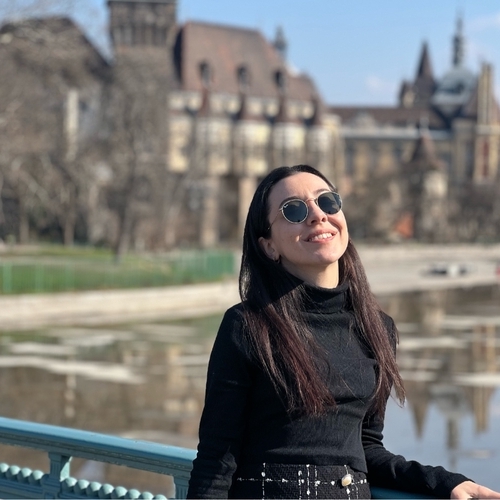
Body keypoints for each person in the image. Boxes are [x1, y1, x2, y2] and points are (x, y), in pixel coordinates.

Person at [187, 164, 500, 499]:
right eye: (294, 210)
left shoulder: (377, 328)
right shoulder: (248, 325)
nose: (318, 215)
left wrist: (444, 482)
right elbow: (216, 462)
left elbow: (366, 450)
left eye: (327, 201)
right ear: (268, 246)